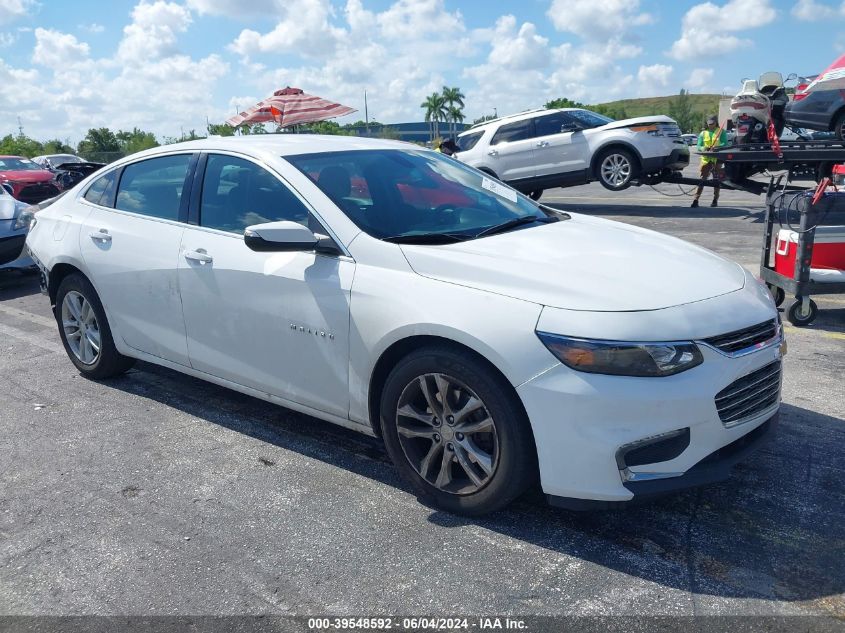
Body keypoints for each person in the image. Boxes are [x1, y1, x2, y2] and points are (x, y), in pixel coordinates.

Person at [691, 115, 727, 208]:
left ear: (716, 123)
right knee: (701, 180)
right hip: (706, 160)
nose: (711, 125)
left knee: (716, 180)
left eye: (713, 123)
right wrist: (704, 148)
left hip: (717, 159)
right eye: (709, 124)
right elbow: (698, 146)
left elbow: (725, 144)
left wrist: (718, 147)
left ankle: (715, 200)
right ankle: (696, 200)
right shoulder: (703, 133)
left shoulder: (721, 132)